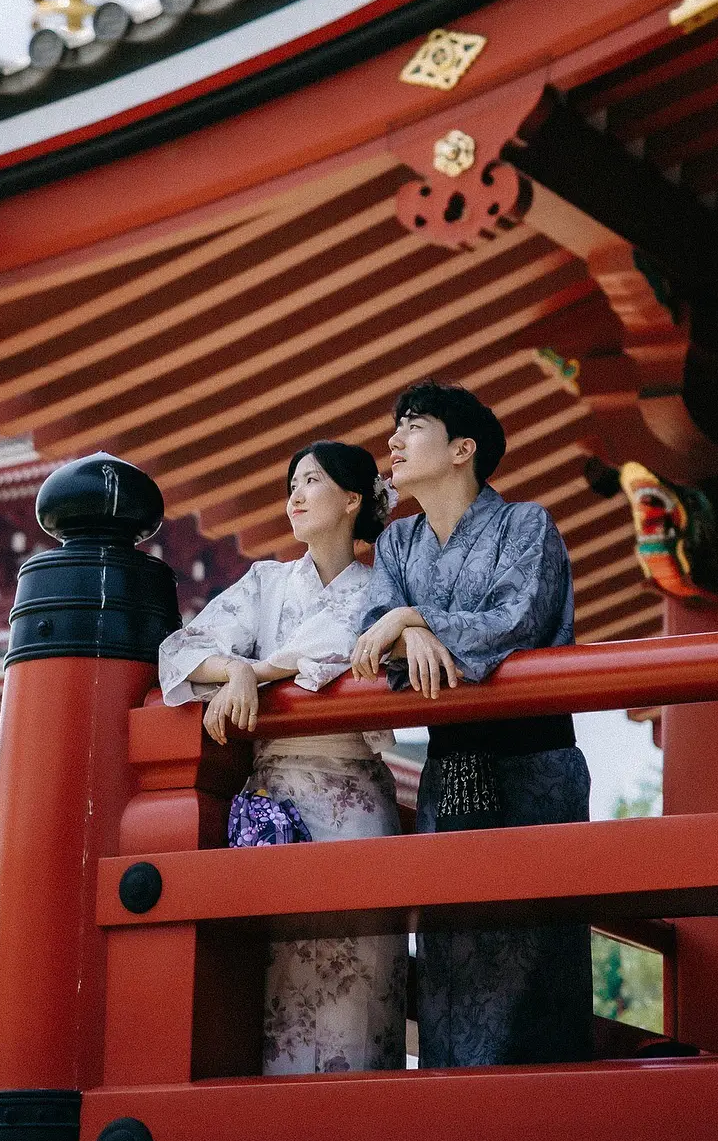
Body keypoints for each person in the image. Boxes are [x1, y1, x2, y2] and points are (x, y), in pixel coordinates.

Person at [349, 379, 593, 1068]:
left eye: (412, 426)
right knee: (452, 953)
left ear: (463, 448)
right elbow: (373, 637)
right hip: (448, 773)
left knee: (534, 951)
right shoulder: (397, 545)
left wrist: (413, 619)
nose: (393, 441)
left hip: (532, 766)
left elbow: (516, 621)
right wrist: (401, 625)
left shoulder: (528, 526)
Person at [159, 441, 407, 1075]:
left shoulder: (384, 588)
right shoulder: (266, 583)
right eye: (291, 484)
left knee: (359, 995)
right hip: (275, 810)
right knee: (280, 989)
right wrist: (238, 668)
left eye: (312, 482)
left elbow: (345, 658)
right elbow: (182, 651)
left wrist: (256, 671)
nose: (294, 496)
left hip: (353, 803)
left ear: (353, 499)